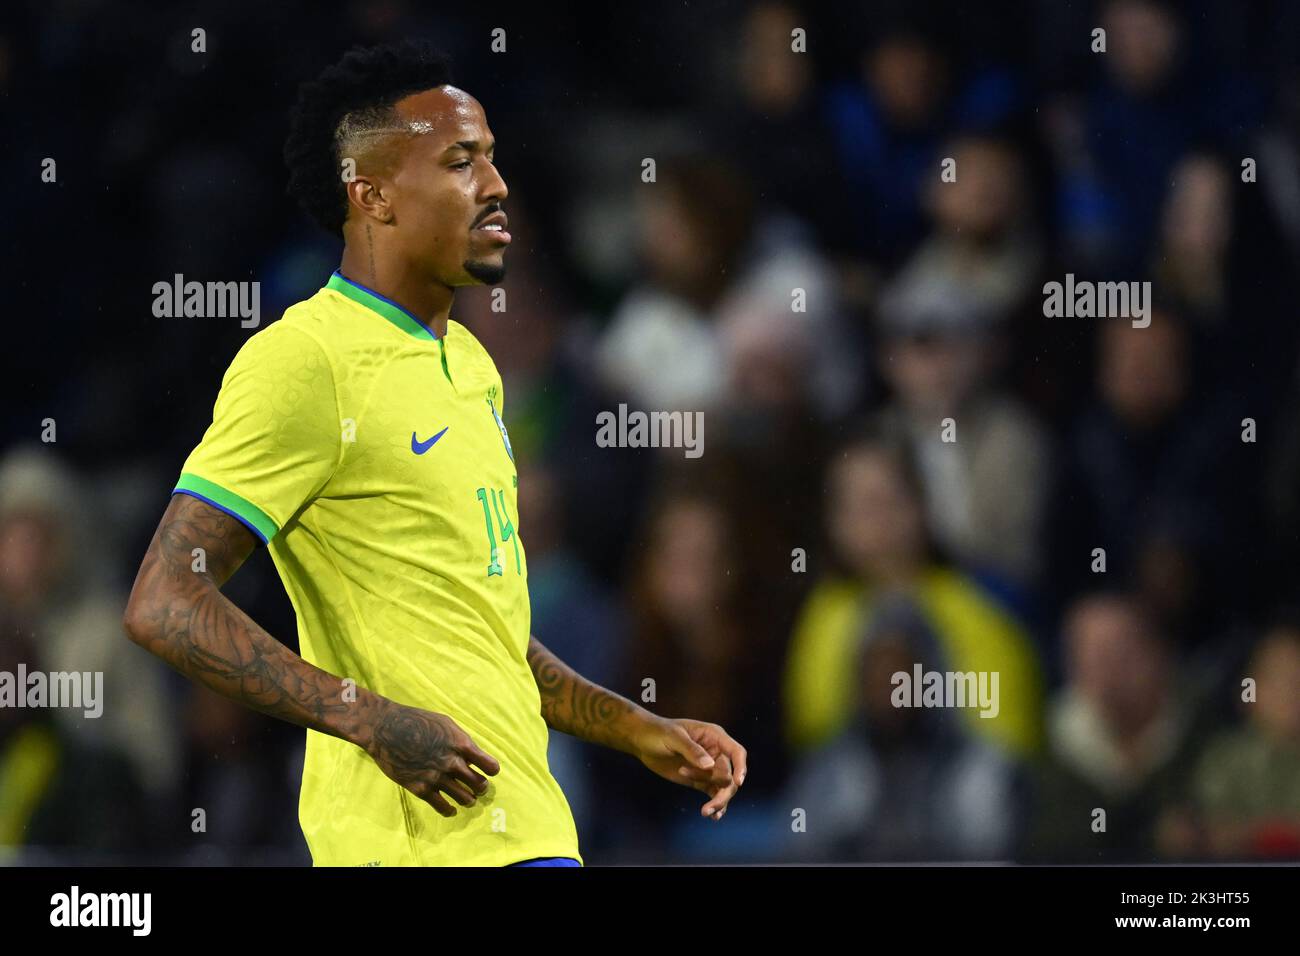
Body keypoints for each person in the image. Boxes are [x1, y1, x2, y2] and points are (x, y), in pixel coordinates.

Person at [122, 40, 746, 868]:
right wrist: (369, 719)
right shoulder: (308, 359)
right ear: (371, 193)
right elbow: (164, 599)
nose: (497, 186)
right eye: (461, 162)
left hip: (530, 828)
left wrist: (632, 726)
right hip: (414, 843)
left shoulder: (475, 369)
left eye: (491, 159)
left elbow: (486, 627)